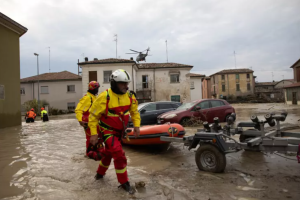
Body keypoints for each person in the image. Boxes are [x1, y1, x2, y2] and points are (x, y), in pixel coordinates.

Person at [88, 69, 141, 194]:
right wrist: (94, 134)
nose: (126, 86)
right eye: (122, 83)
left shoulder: (130, 96)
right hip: (107, 131)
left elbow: (134, 112)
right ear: (114, 83)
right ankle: (124, 182)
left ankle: (99, 175)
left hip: (120, 132)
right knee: (119, 154)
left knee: (108, 154)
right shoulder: (104, 97)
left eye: (127, 83)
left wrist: (137, 126)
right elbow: (93, 117)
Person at [75, 81, 101, 157]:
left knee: (96, 137)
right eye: (97, 88)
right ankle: (89, 153)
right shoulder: (87, 98)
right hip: (88, 122)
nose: (98, 90)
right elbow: (78, 110)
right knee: (90, 138)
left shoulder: (94, 97)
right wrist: (80, 120)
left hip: (94, 122)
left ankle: (95, 152)